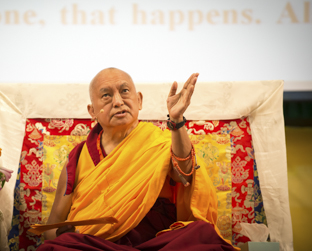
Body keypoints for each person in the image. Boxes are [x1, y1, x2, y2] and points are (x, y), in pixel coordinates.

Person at [37, 68, 236, 251]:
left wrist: (176, 121)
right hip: (98, 245)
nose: (117, 101)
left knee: (201, 235)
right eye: (106, 95)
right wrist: (67, 235)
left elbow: (184, 173)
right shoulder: (79, 157)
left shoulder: (159, 142)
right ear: (92, 111)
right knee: (58, 246)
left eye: (124, 91)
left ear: (139, 100)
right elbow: (50, 227)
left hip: (156, 243)